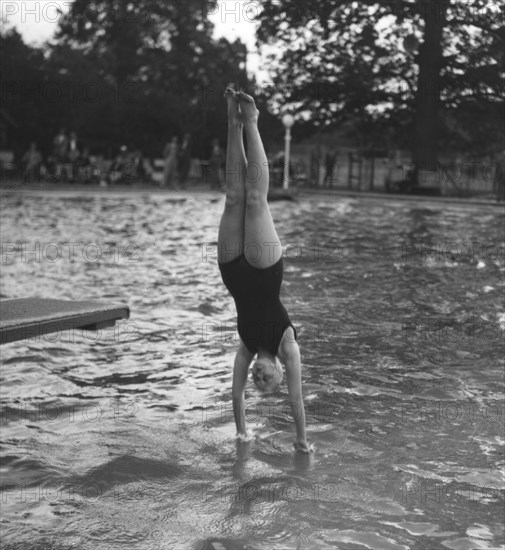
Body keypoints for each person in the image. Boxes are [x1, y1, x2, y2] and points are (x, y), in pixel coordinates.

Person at [217, 88, 310, 453]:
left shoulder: (246, 347)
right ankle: (252, 122)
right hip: (264, 269)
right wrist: (301, 441)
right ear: (281, 375)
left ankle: (231, 122)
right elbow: (297, 401)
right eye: (266, 380)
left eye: (257, 379)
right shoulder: (288, 347)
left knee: (233, 196)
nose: (258, 376)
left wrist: (241, 432)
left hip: (233, 273)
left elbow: (235, 394)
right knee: (255, 199)